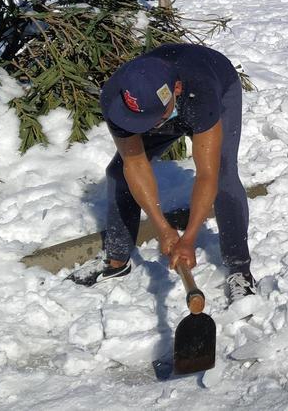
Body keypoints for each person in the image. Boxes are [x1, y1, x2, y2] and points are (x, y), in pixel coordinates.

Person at [77, 44, 255, 303]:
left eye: (154, 120)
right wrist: (162, 227)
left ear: (177, 90)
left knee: (223, 174)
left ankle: (240, 269)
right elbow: (135, 165)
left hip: (214, 84)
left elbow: (207, 174)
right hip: (166, 102)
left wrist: (190, 236)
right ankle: (116, 259)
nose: (147, 128)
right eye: (139, 122)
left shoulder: (200, 92)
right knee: (118, 172)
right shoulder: (116, 98)